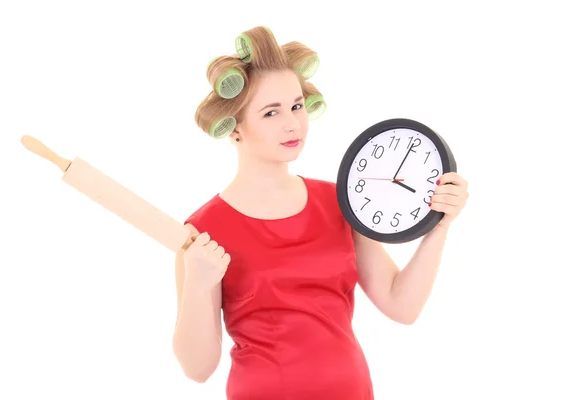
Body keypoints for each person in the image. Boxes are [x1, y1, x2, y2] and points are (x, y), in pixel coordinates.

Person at [172, 26, 469, 400]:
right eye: (270, 112)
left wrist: (439, 227)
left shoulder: (337, 202)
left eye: (296, 106)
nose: (292, 123)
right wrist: (198, 284)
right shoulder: (204, 230)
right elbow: (197, 369)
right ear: (234, 128)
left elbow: (401, 305)